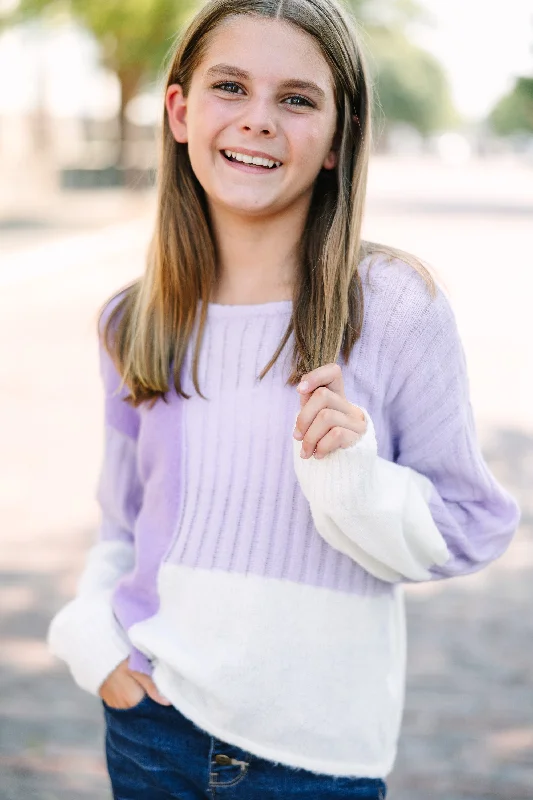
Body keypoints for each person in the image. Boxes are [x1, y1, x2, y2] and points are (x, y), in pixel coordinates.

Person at [47, 0, 521, 797]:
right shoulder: (134, 320)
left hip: (316, 760)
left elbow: (472, 527)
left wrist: (353, 478)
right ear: (179, 111)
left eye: (296, 99)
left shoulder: (392, 306)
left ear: (338, 139)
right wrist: (97, 649)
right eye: (229, 87)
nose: (258, 120)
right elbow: (123, 522)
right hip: (151, 732)